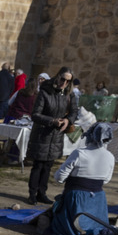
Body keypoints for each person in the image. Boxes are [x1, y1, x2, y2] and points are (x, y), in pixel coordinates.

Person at [43, 122, 116, 235]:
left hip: (77, 197)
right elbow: (106, 179)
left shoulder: (80, 153)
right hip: (98, 199)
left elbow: (59, 177)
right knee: (95, 225)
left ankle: (71, 231)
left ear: (90, 135)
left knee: (61, 225)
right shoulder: (110, 156)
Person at [25, 66, 75, 205]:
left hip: (56, 135)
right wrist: (52, 121)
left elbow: (74, 111)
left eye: (68, 81)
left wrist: (68, 120)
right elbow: (35, 114)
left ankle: (42, 193)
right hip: (42, 133)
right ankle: (32, 194)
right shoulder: (45, 91)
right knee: (38, 165)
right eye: (63, 79)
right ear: (57, 76)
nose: (64, 83)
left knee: (48, 166)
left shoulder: (69, 94)